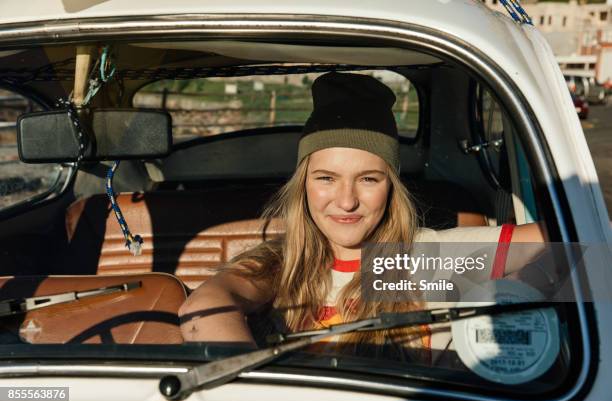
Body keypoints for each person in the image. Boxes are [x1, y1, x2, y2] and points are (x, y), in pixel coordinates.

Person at [178, 72, 545, 362]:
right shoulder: (281, 263)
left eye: (368, 179)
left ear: (391, 187)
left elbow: (579, 249)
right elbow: (205, 306)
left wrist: (524, 289)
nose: (347, 200)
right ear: (303, 185)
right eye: (326, 179)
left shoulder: (423, 258)